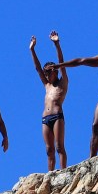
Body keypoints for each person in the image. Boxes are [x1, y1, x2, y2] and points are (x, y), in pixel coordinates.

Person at [30, 31, 69, 171]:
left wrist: (57, 44)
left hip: (57, 116)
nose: (47, 74)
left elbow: (63, 65)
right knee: (49, 149)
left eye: (50, 71)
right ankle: (50, 172)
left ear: (55, 71)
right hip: (45, 118)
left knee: (59, 146)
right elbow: (37, 69)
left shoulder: (62, 83)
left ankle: (63, 170)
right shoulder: (47, 85)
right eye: (46, 72)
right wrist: (32, 50)